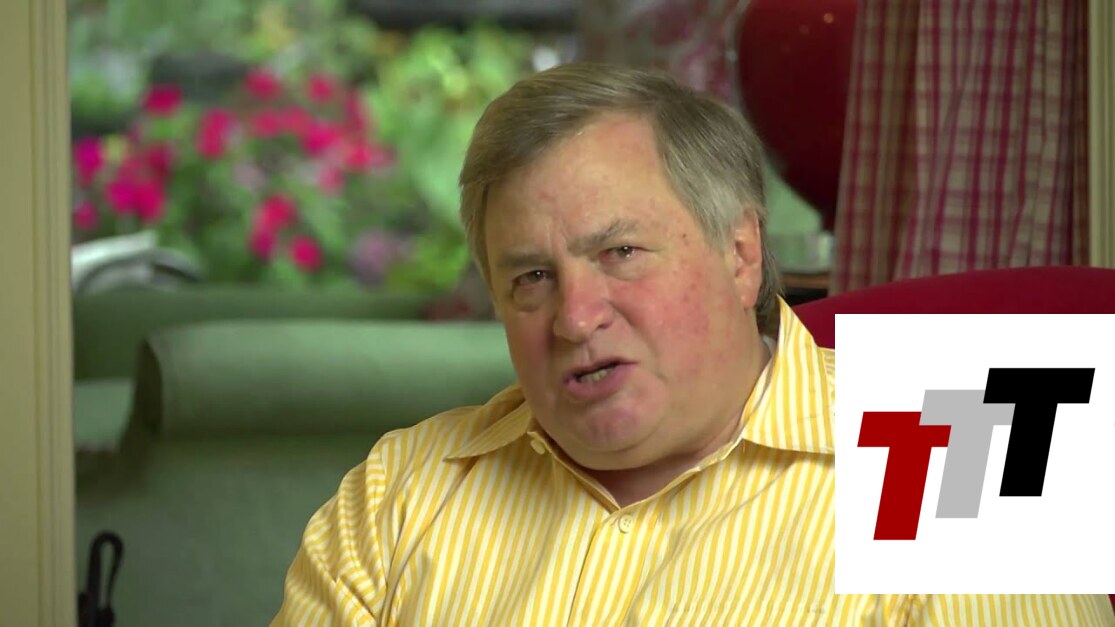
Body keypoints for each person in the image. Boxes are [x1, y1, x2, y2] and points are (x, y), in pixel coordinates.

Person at [272, 63, 1115, 625]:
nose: (574, 318)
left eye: (619, 252)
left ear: (739, 254)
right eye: (531, 277)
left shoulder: (965, 443)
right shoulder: (404, 487)